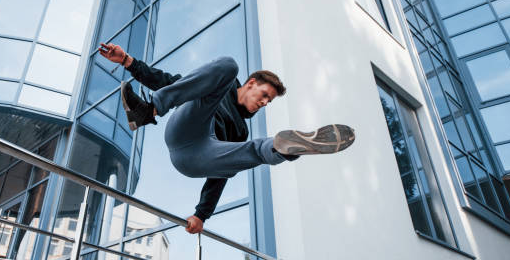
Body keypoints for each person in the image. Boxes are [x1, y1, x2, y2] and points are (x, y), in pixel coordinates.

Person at [99, 43, 355, 234]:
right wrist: (128, 61)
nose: (265, 102)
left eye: (269, 101)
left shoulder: (240, 131)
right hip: (188, 127)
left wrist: (202, 214)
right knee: (228, 66)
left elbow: (219, 174)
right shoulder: (220, 84)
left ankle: (282, 149)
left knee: (253, 148)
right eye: (265, 95)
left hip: (198, 157)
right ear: (252, 83)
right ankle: (149, 109)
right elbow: (167, 81)